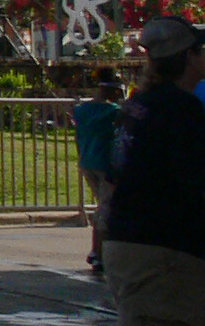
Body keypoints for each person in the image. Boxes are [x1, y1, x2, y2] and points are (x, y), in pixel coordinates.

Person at [101, 16, 205, 325]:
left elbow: (115, 181)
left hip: (130, 247)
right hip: (164, 259)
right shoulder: (181, 108)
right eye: (199, 49)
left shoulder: (136, 107)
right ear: (189, 57)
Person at [80, 71, 127, 273]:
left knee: (103, 205)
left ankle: (99, 250)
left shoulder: (81, 110)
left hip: (87, 160)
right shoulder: (113, 112)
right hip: (105, 163)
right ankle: (98, 251)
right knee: (106, 208)